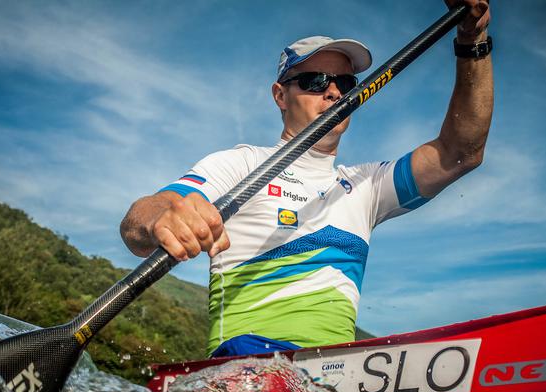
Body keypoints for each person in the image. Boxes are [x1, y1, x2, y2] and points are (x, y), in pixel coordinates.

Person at [120, 0, 493, 358]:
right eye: (315, 81)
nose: (333, 91)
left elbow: (461, 152)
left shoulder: (367, 186)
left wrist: (472, 40)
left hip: (333, 382)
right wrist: (164, 217)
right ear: (281, 96)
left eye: (345, 83)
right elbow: (141, 219)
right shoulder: (242, 164)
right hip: (241, 367)